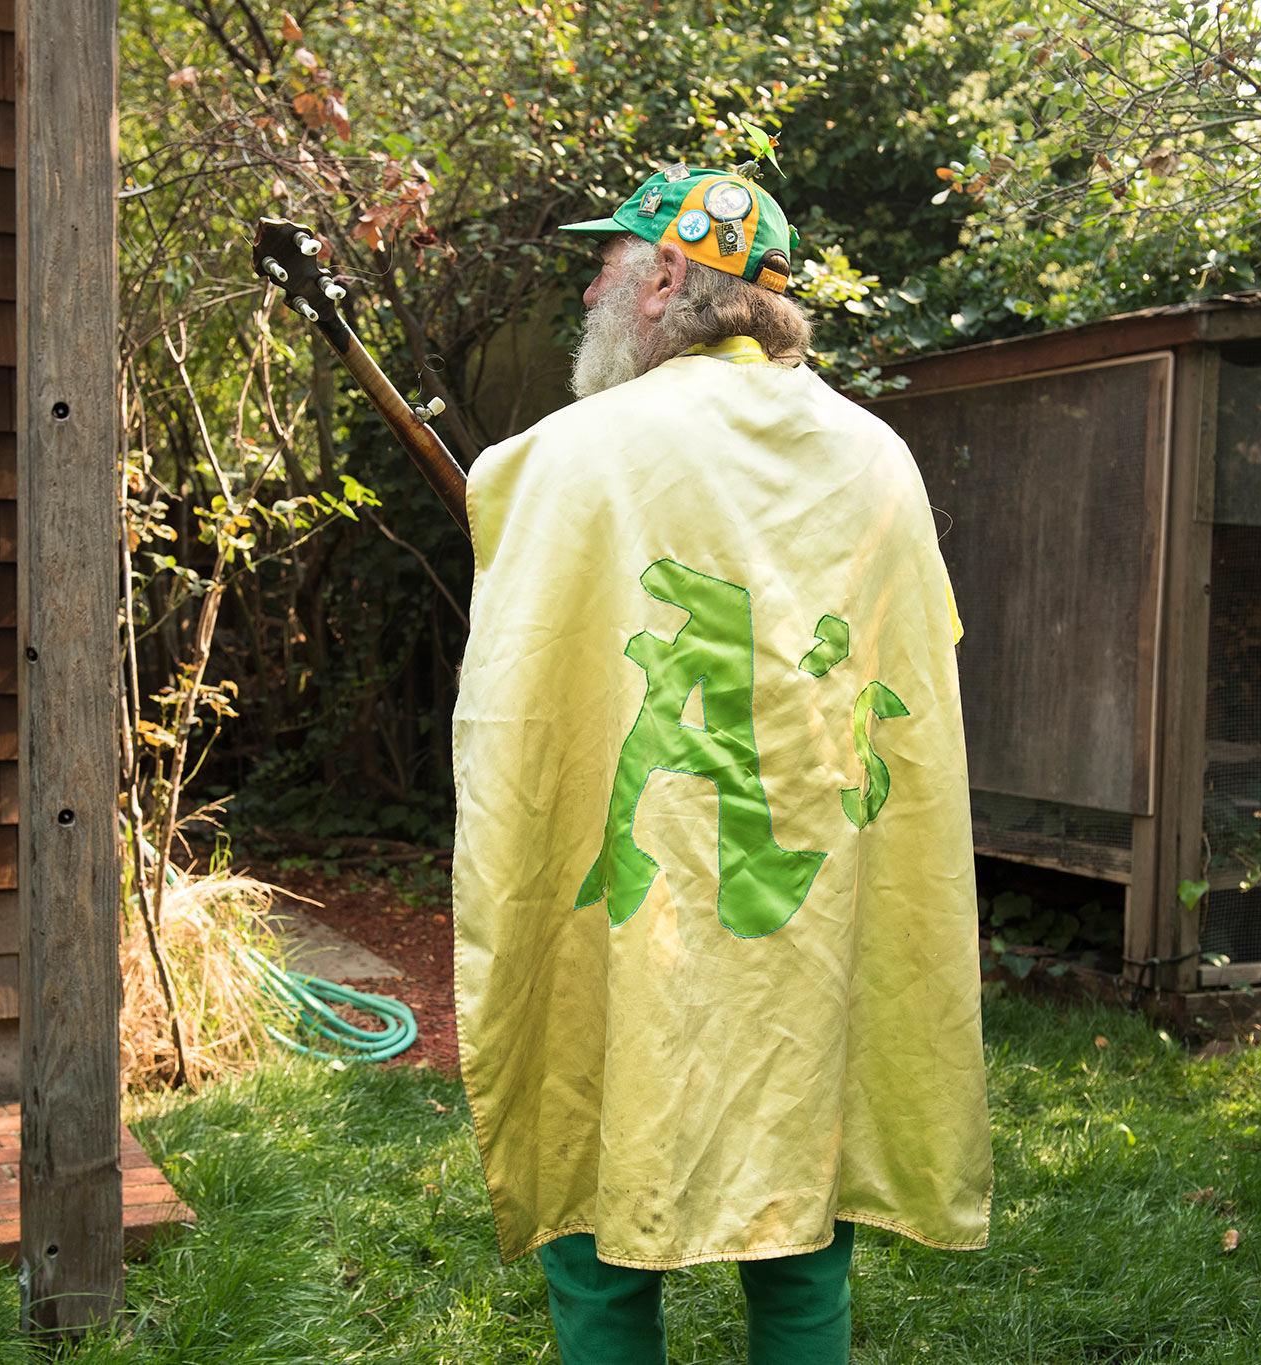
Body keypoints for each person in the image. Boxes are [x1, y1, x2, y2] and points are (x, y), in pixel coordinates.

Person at [449, 162, 992, 1365]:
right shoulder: (877, 457)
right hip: (809, 907)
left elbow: (517, 686)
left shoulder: (572, 453)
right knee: (798, 1220)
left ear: (665, 278)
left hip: (627, 898)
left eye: (606, 266)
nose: (590, 289)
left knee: (595, 1221)